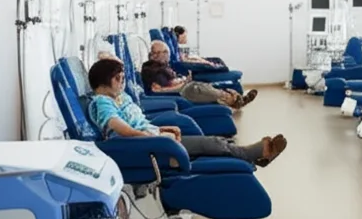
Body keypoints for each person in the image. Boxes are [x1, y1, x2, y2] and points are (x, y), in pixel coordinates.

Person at [87, 58, 286, 167]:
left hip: (152, 138)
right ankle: (253, 153)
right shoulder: (103, 103)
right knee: (211, 143)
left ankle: (250, 154)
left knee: (214, 142)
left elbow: (138, 123)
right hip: (146, 147)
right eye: (118, 79)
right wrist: (156, 137)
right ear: (103, 82)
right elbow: (124, 131)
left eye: (123, 77)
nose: (122, 82)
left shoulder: (119, 98)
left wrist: (161, 128)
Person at [143, 41, 256, 108]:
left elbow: (170, 82)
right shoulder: (153, 70)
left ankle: (236, 99)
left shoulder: (161, 67)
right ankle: (235, 100)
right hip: (183, 92)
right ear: (156, 54)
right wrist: (184, 83)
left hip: (185, 88)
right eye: (166, 52)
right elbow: (159, 90)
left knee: (205, 86)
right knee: (199, 88)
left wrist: (183, 80)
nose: (168, 55)